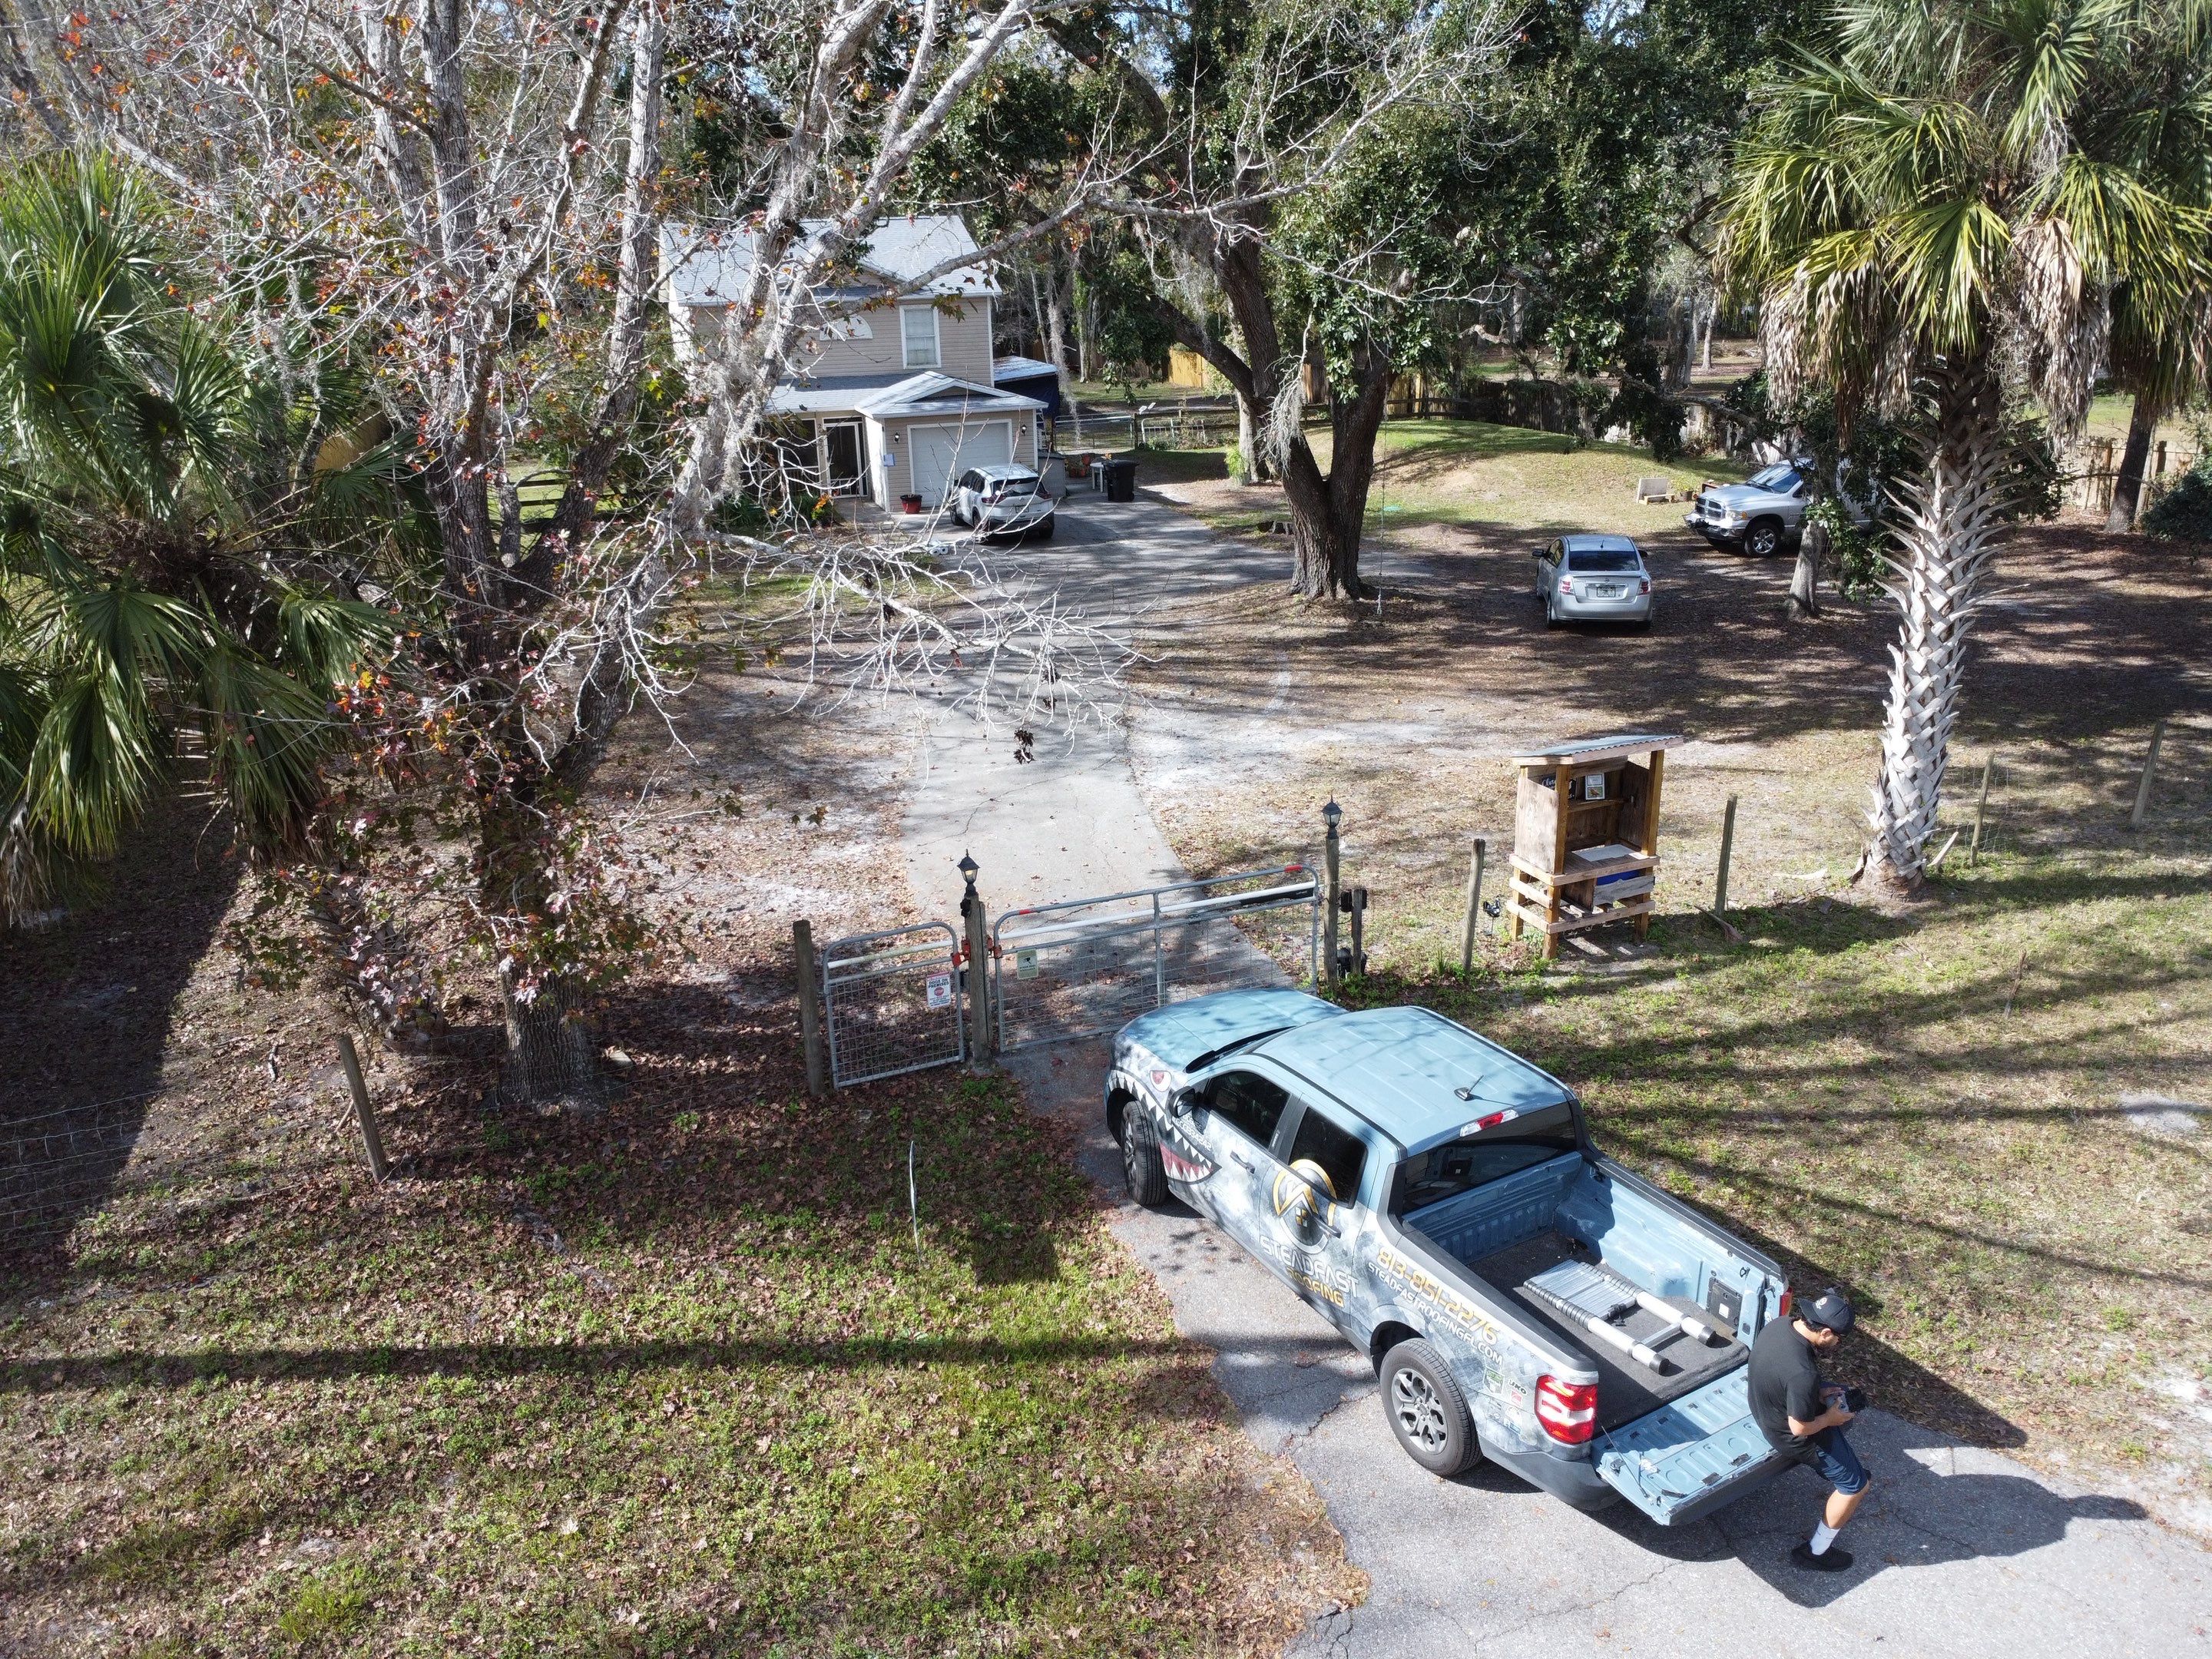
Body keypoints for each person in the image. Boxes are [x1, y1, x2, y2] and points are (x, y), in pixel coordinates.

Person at [1747, 1287, 1869, 1571]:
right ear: (1825, 1333)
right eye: (1838, 1337)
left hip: (1764, 1405)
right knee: (1855, 1486)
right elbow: (1800, 1428)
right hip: (1788, 1434)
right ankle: (1815, 1552)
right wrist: (1830, 1418)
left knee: (1837, 1399)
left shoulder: (1781, 1325)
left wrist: (1819, 1392)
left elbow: (1785, 1378)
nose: (1837, 1342)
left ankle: (1840, 1466)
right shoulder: (1803, 1373)